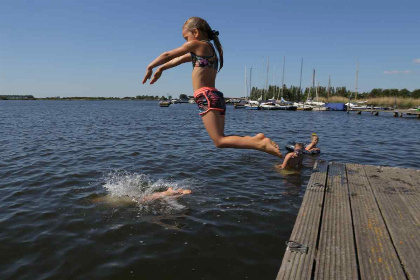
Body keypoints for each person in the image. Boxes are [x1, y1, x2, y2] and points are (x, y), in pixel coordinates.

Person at [142, 17, 282, 158]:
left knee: (219, 141)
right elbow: (177, 60)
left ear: (195, 32)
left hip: (206, 97)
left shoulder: (197, 45)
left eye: (186, 38)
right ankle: (255, 139)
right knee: (221, 137)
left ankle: (260, 144)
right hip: (215, 96)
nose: (186, 42)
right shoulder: (208, 50)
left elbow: (168, 55)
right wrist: (161, 69)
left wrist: (150, 66)